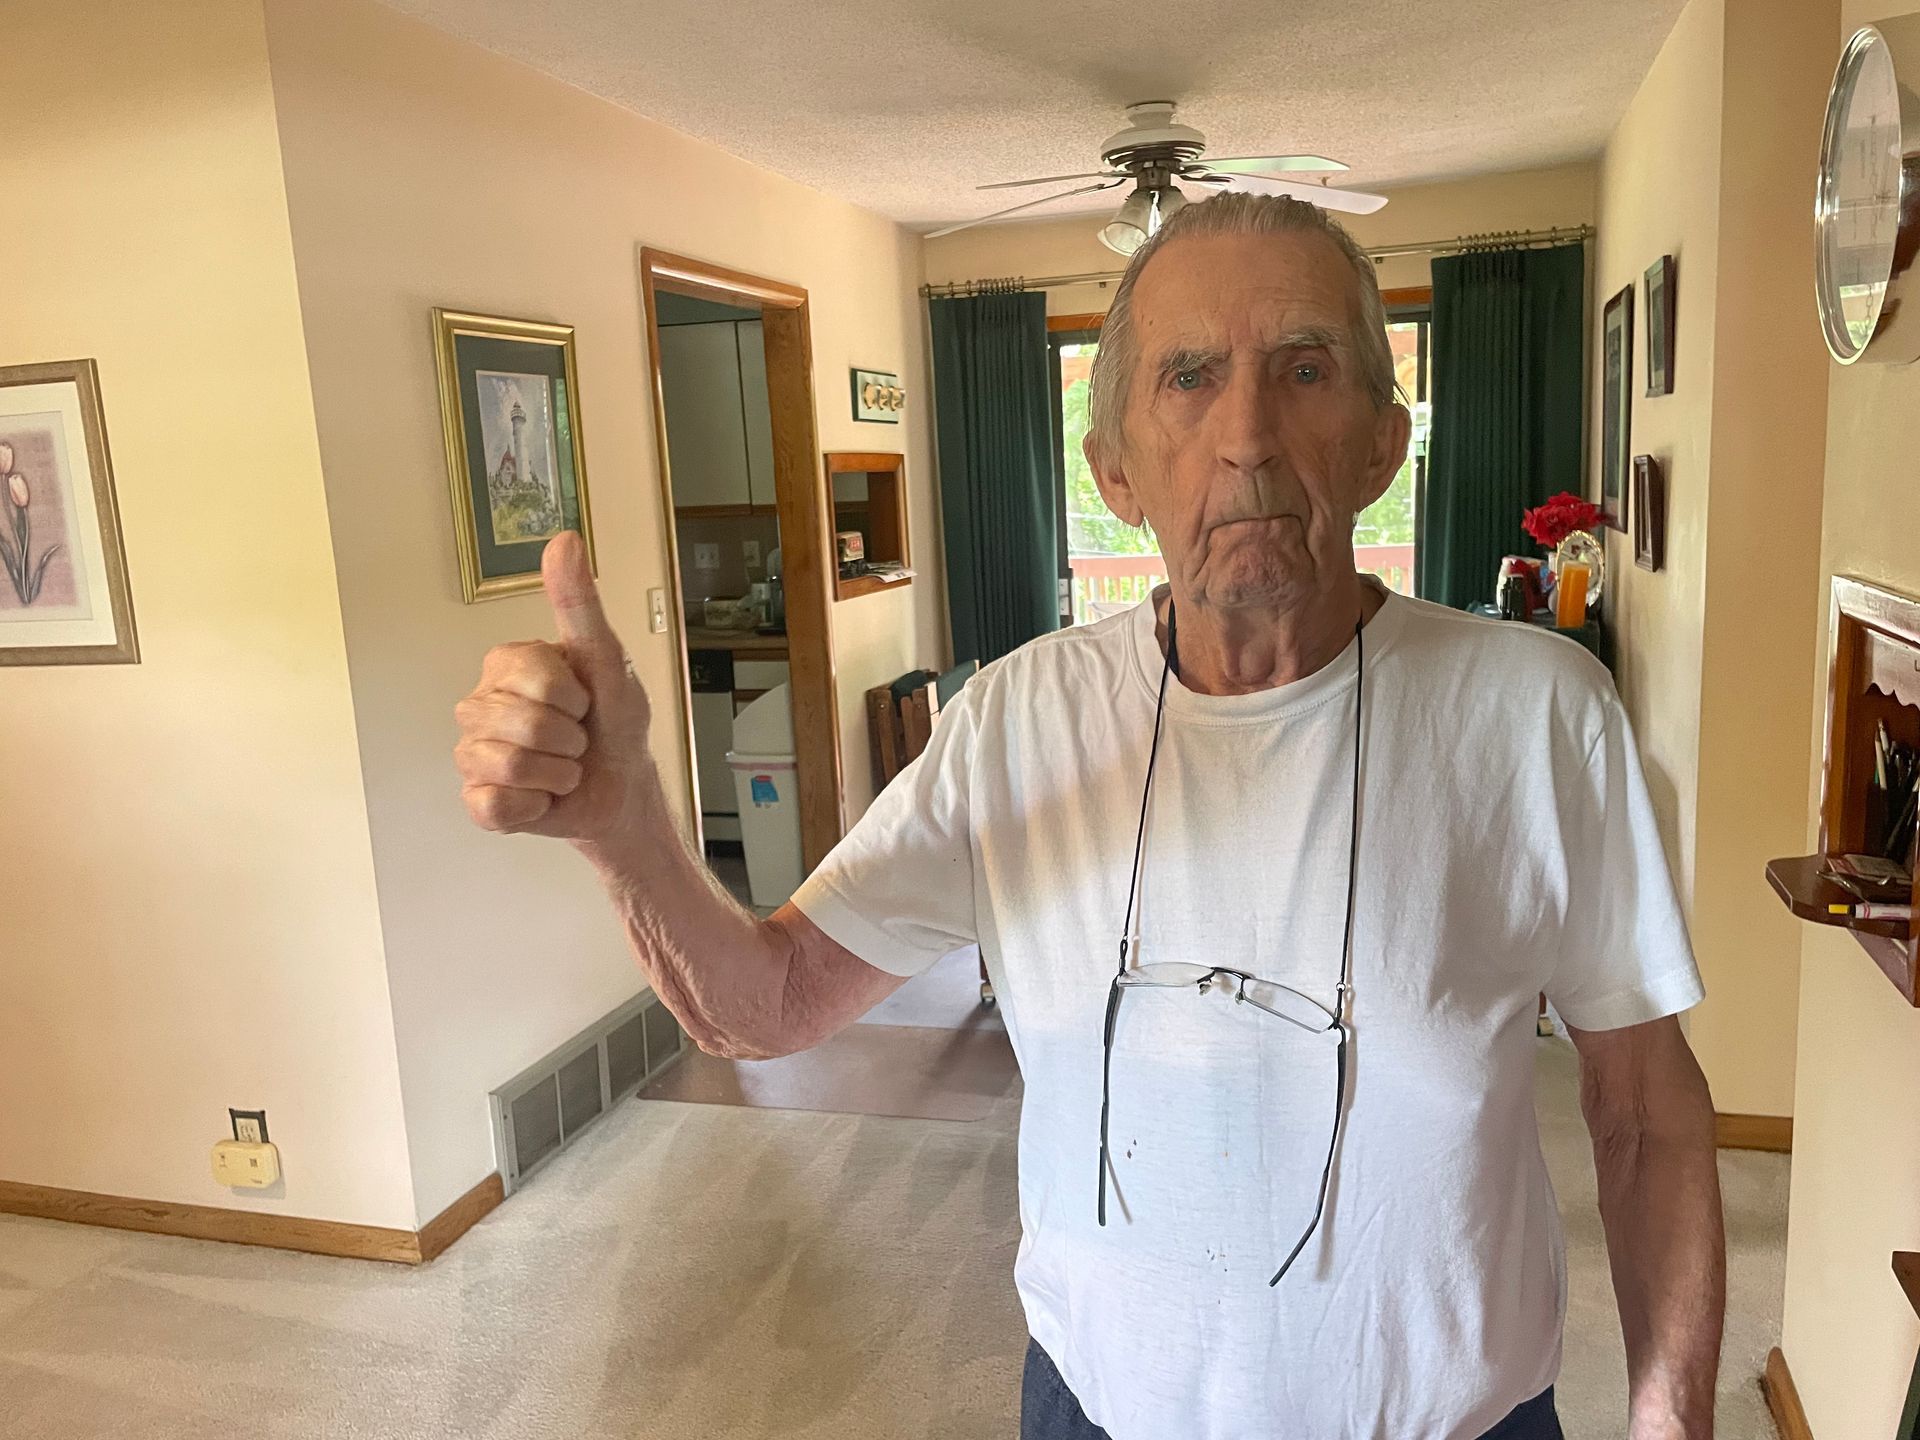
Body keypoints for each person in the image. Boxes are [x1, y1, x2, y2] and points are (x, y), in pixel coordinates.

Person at [453, 193, 1725, 1440]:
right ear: (1115, 471)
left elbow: (1645, 1115)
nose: (1248, 435)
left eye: (1304, 369)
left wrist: (1671, 1416)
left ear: (1385, 444)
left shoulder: (1536, 713)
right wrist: (625, 833)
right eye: (1188, 377)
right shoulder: (1014, 723)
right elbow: (766, 1007)